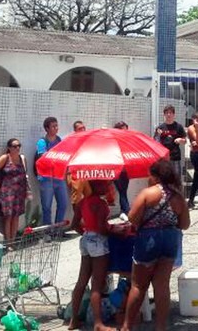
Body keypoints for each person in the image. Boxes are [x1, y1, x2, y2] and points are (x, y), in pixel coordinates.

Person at [121, 159, 190, 331]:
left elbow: (132, 218)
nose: (147, 178)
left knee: (138, 285)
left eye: (150, 175)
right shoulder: (178, 197)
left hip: (148, 240)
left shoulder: (147, 193)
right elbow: (184, 224)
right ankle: (161, 327)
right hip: (169, 240)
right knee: (162, 286)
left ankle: (127, 327)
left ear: (156, 176)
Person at [68, 179, 114, 331]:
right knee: (97, 284)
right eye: (106, 185)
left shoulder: (82, 202)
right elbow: (102, 228)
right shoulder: (101, 204)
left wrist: (87, 233)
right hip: (98, 243)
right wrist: (113, 230)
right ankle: (98, 323)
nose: (108, 188)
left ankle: (74, 320)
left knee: (81, 281)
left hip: (86, 239)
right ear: (97, 186)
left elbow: (74, 224)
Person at [0, 137, 32, 241]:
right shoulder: (5, 158)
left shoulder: (22, 159)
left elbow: (25, 173)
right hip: (7, 192)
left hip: (19, 192)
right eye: (15, 146)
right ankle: (8, 241)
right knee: (8, 217)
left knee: (16, 216)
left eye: (19, 146)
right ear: (9, 148)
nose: (17, 148)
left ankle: (13, 240)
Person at [36, 117, 69, 227]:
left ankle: (57, 230)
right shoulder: (42, 142)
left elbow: (63, 156)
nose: (56, 128)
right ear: (47, 128)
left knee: (63, 204)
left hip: (59, 177)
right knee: (46, 206)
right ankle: (47, 232)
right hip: (46, 178)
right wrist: (56, 158)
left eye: (57, 125)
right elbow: (44, 157)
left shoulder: (59, 140)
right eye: (53, 126)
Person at [155, 106, 187, 177]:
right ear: (164, 115)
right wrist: (158, 135)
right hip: (164, 158)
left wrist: (181, 140)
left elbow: (185, 141)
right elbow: (156, 143)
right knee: (164, 180)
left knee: (176, 180)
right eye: (166, 113)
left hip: (175, 157)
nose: (168, 115)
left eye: (170, 113)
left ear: (174, 114)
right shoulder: (160, 128)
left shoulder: (179, 127)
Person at [112, 122, 131, 215]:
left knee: (123, 191)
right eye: (122, 130)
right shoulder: (114, 141)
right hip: (116, 170)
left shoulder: (127, 142)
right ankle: (127, 210)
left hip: (126, 170)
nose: (125, 132)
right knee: (122, 191)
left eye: (126, 130)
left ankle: (124, 210)